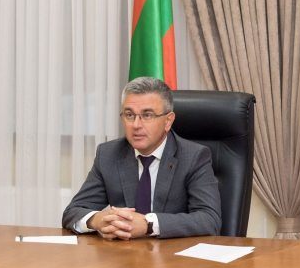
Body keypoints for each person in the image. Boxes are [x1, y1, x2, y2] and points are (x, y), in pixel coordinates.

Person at [62, 77, 221, 240]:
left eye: (147, 115)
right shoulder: (109, 154)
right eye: (129, 115)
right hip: (123, 252)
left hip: (172, 253)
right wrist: (99, 220)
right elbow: (72, 212)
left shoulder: (193, 156)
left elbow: (209, 220)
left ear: (168, 121)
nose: (136, 125)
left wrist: (148, 225)